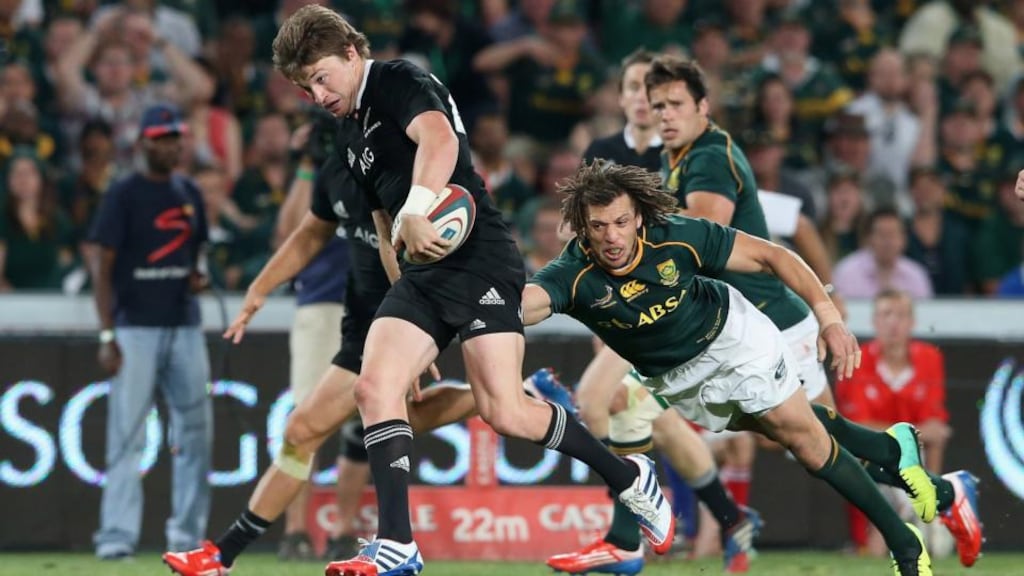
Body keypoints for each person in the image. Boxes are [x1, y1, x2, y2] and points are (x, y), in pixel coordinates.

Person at [525, 161, 935, 576]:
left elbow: (773, 255)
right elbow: (522, 306)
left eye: (621, 222)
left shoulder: (675, 235)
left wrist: (828, 317)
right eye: (597, 226)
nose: (612, 236)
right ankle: (890, 449)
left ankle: (904, 545)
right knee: (778, 431)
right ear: (581, 228)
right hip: (677, 378)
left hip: (734, 339)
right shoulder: (572, 275)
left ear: (638, 218)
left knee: (807, 445)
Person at [552, 49, 758, 575]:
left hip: (672, 307)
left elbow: (702, 233)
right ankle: (728, 519)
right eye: (638, 89)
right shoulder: (602, 154)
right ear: (624, 97)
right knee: (649, 419)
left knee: (605, 405)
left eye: (660, 94)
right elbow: (579, 233)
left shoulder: (682, 153)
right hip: (619, 306)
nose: (649, 102)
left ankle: (630, 532)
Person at [89, 103, 212, 559]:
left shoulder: (189, 192)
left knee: (197, 434)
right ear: (143, 143)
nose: (170, 145)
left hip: (184, 325)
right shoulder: (123, 194)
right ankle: (116, 537)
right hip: (135, 327)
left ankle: (187, 536)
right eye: (162, 137)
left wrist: (199, 275)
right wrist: (106, 334)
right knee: (127, 436)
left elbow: (198, 251)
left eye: (175, 137)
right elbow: (102, 268)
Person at [839, 290, 981, 566]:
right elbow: (857, 427)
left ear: (912, 322)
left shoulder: (929, 358)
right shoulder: (858, 358)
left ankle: (931, 504)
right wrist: (910, 431)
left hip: (917, 456)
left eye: (901, 315)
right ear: (875, 321)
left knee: (936, 437)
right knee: (866, 452)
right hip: (874, 456)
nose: (893, 323)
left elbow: (936, 428)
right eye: (886, 315)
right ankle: (915, 513)